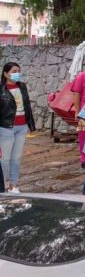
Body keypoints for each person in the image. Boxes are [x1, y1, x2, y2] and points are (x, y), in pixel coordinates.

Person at [0, 62, 35, 193]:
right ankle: (2, 186)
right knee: (4, 159)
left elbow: (27, 107)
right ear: (5, 74)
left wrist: (30, 124)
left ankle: (13, 186)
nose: (17, 74)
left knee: (16, 158)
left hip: (22, 127)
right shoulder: (1, 89)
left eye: (18, 71)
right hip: (6, 127)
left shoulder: (22, 86)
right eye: (14, 71)